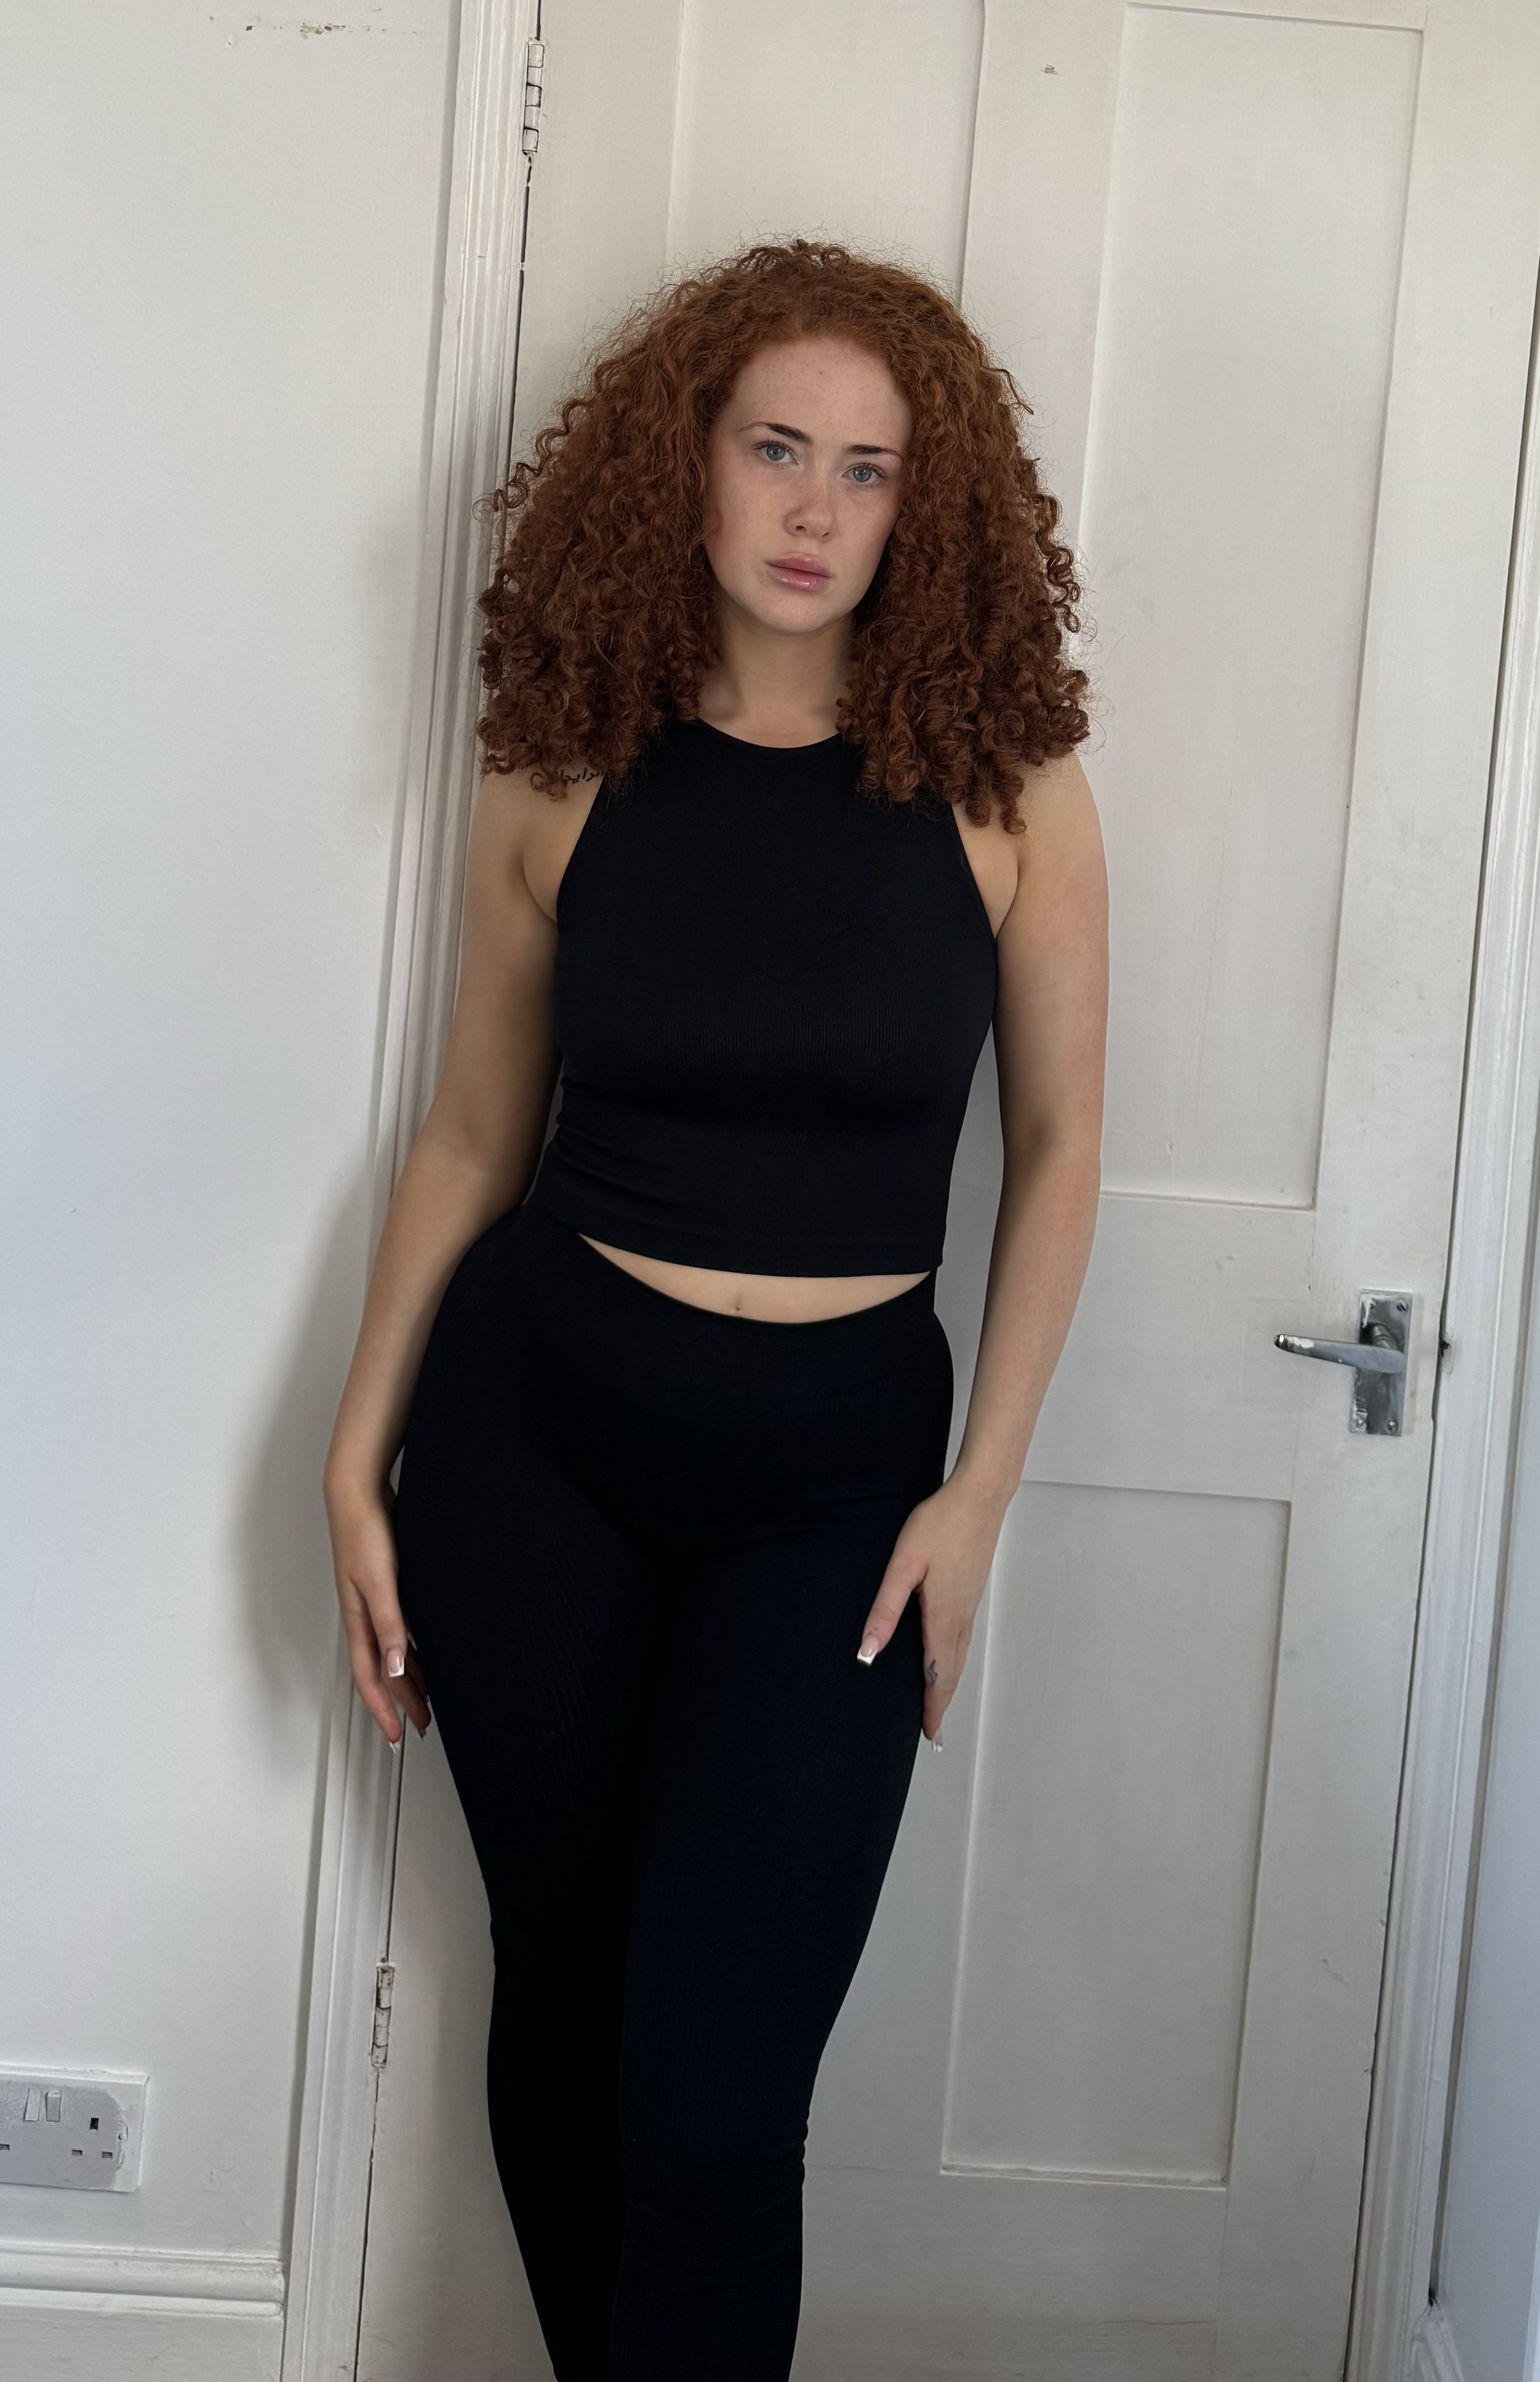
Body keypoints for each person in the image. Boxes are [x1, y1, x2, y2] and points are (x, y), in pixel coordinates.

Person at [322, 237, 1108, 2381]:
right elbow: (471, 1135)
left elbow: (1059, 1155)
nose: (810, 510)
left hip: (836, 1491)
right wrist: (355, 1455)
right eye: (775, 448)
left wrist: (980, 1496)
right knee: (568, 2003)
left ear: (926, 508)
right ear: (686, 457)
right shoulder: (563, 764)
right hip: (536, 1443)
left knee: (714, 2096)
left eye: (867, 469)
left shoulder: (1009, 793)